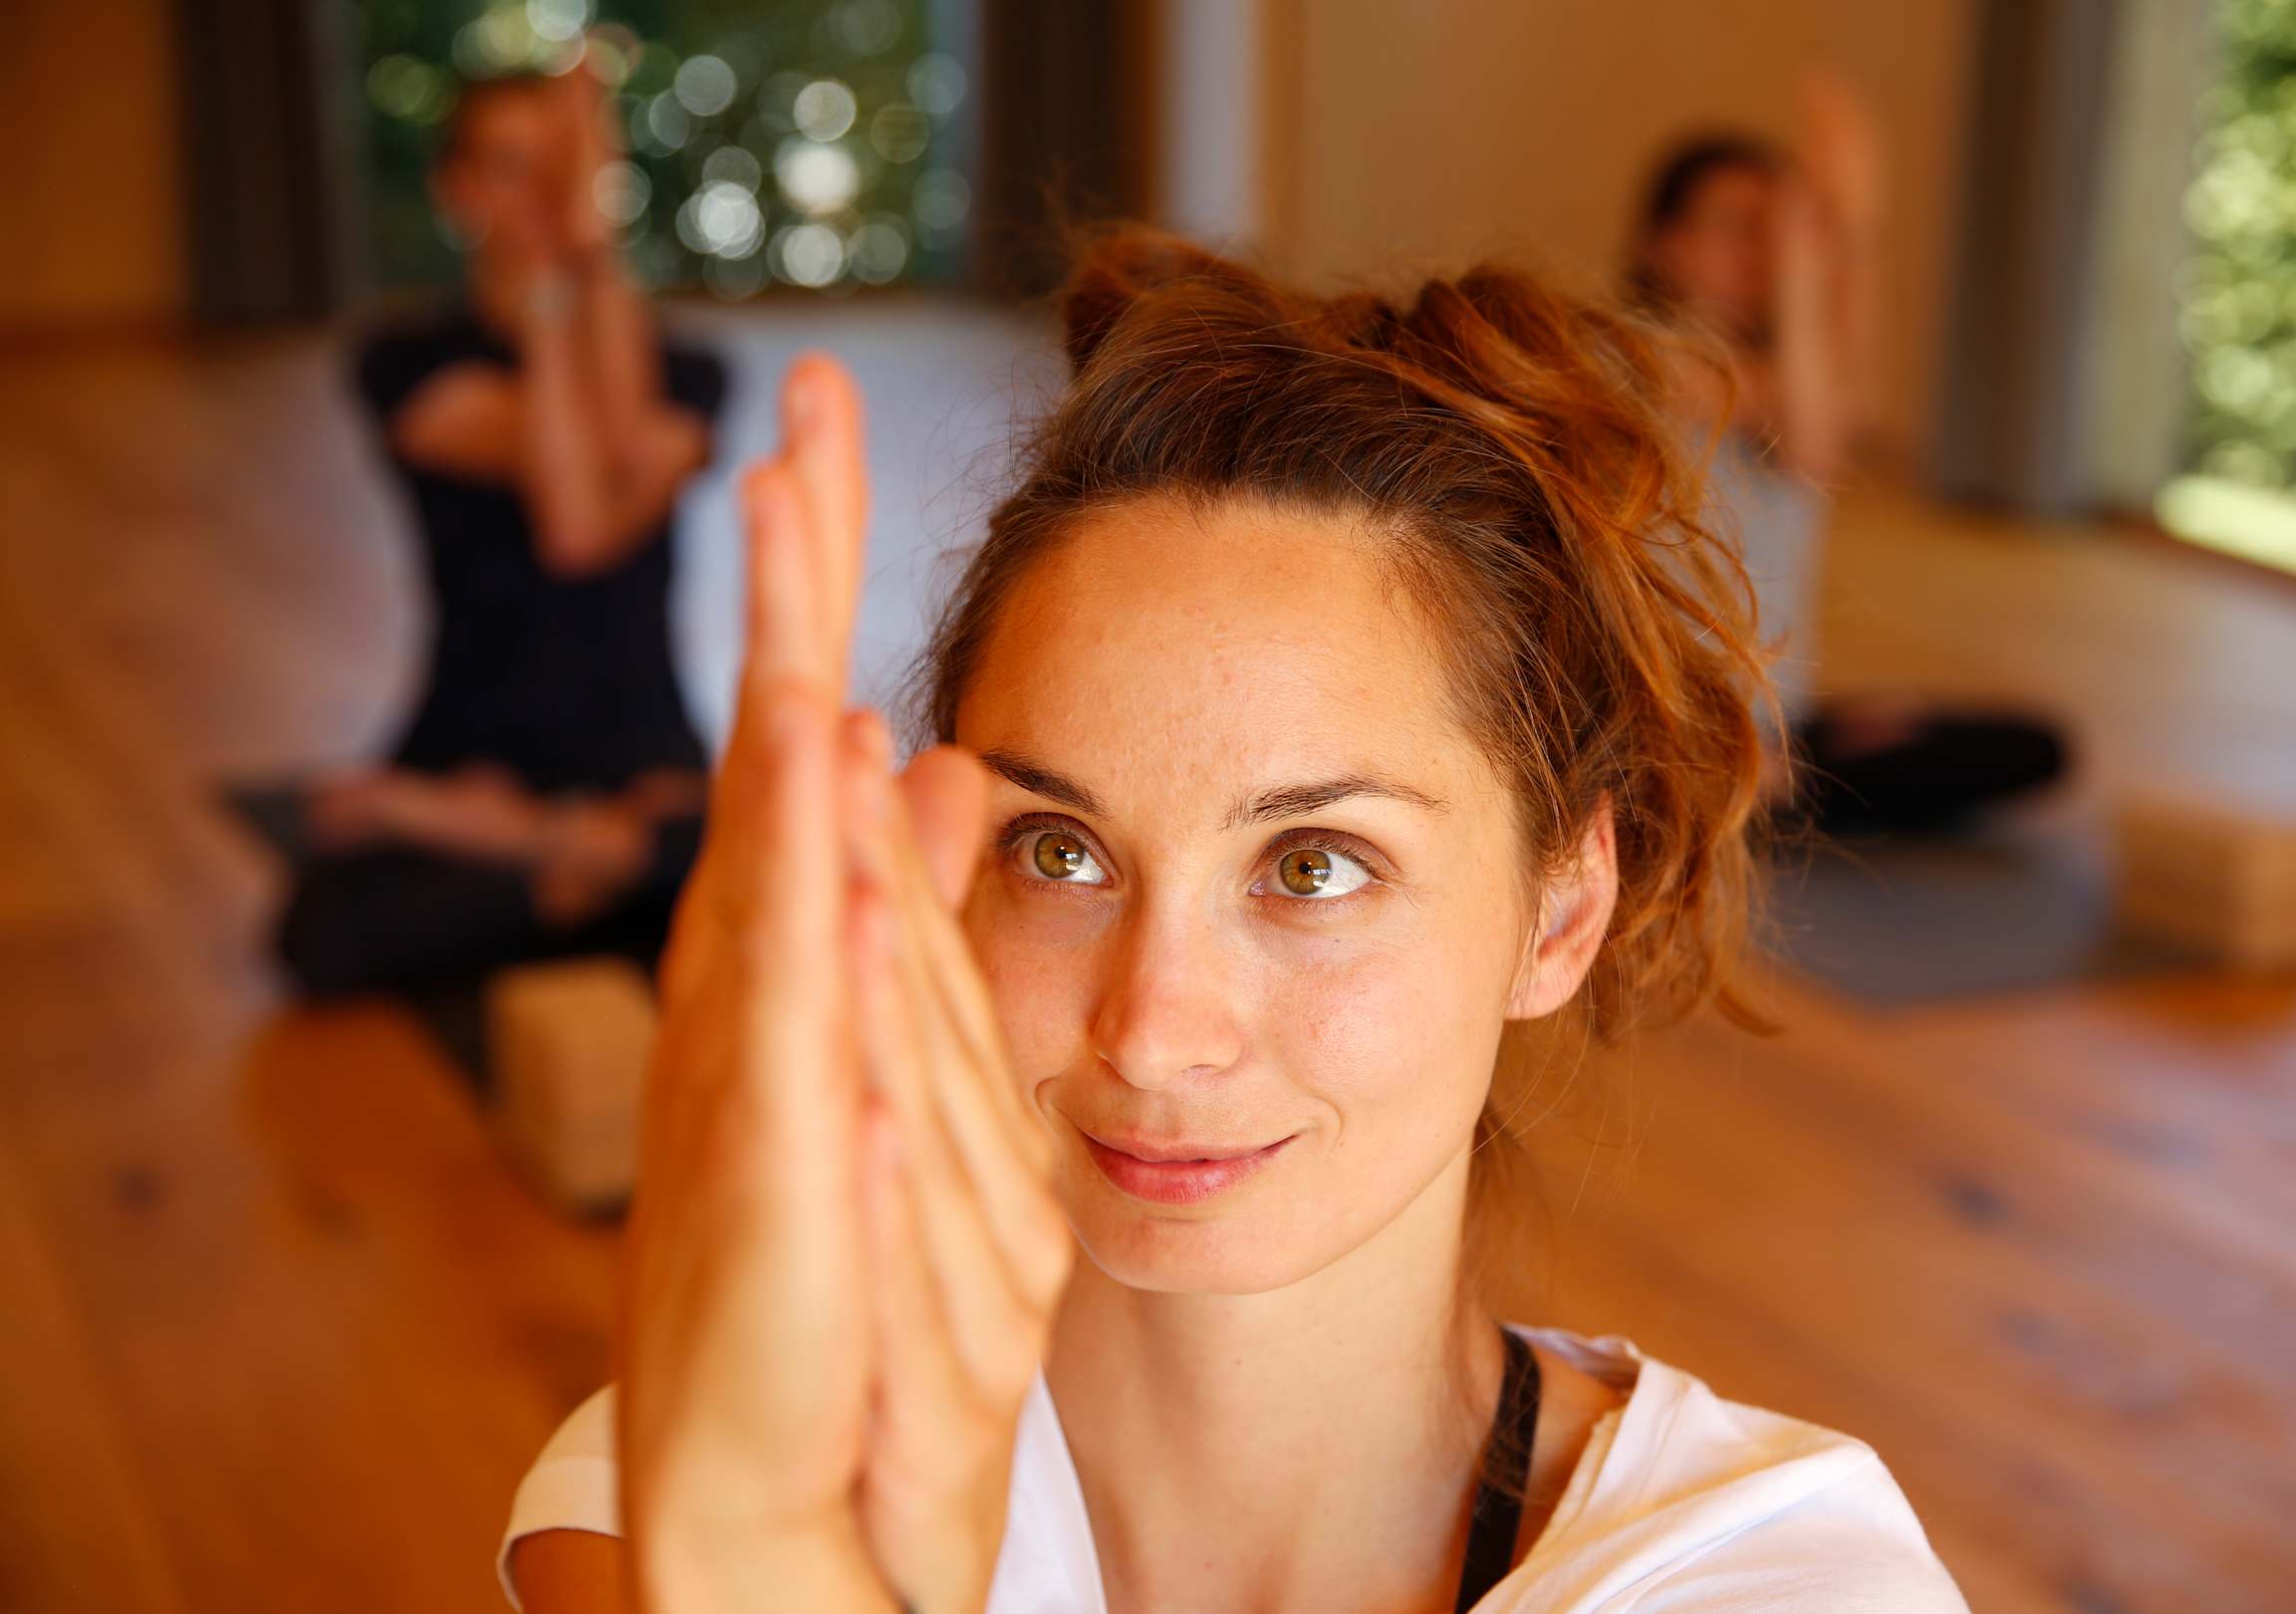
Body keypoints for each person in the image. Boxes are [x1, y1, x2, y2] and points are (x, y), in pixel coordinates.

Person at [497, 227, 1971, 1611]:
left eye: (1314, 867)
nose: (1152, 1029)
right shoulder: (706, 1502)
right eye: (1060, 852)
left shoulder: (1776, 1577)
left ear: (1562, 910)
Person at [261, 61, 724, 1003]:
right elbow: (573, 514)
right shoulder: (407, 363)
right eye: (517, 168)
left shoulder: (691, 370)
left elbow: (595, 512)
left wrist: (590, 258)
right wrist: (555, 297)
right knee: (316, 931)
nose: (547, 197)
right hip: (473, 740)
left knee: (775, 857)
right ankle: (603, 869)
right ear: (457, 190)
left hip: (636, 751)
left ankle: (524, 853)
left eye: (567, 169)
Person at [1632, 74, 2065, 834]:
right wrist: (1814, 258)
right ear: (1664, 245)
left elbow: (1847, 402)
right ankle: (1730, 791)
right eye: (1738, 227)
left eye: (1774, 228)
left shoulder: (1786, 377)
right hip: (1677, 732)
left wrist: (1857, 228)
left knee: (2032, 746)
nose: (1763, 251)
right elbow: (1815, 437)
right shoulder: (1637, 363)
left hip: (1777, 726)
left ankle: (1766, 784)